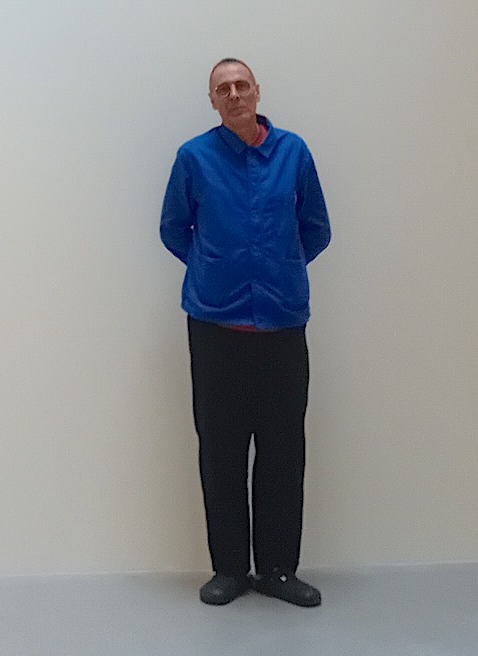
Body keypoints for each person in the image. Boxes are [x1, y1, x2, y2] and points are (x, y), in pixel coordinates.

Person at [160, 57, 331, 608]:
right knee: (221, 450)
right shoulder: (194, 158)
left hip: (281, 323)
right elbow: (173, 229)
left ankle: (278, 570)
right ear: (212, 101)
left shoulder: (294, 153)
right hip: (215, 326)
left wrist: (277, 267)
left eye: (241, 85)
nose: (233, 94)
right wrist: (216, 270)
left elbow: (316, 228)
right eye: (222, 88)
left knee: (283, 450)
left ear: (257, 91)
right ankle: (230, 569)